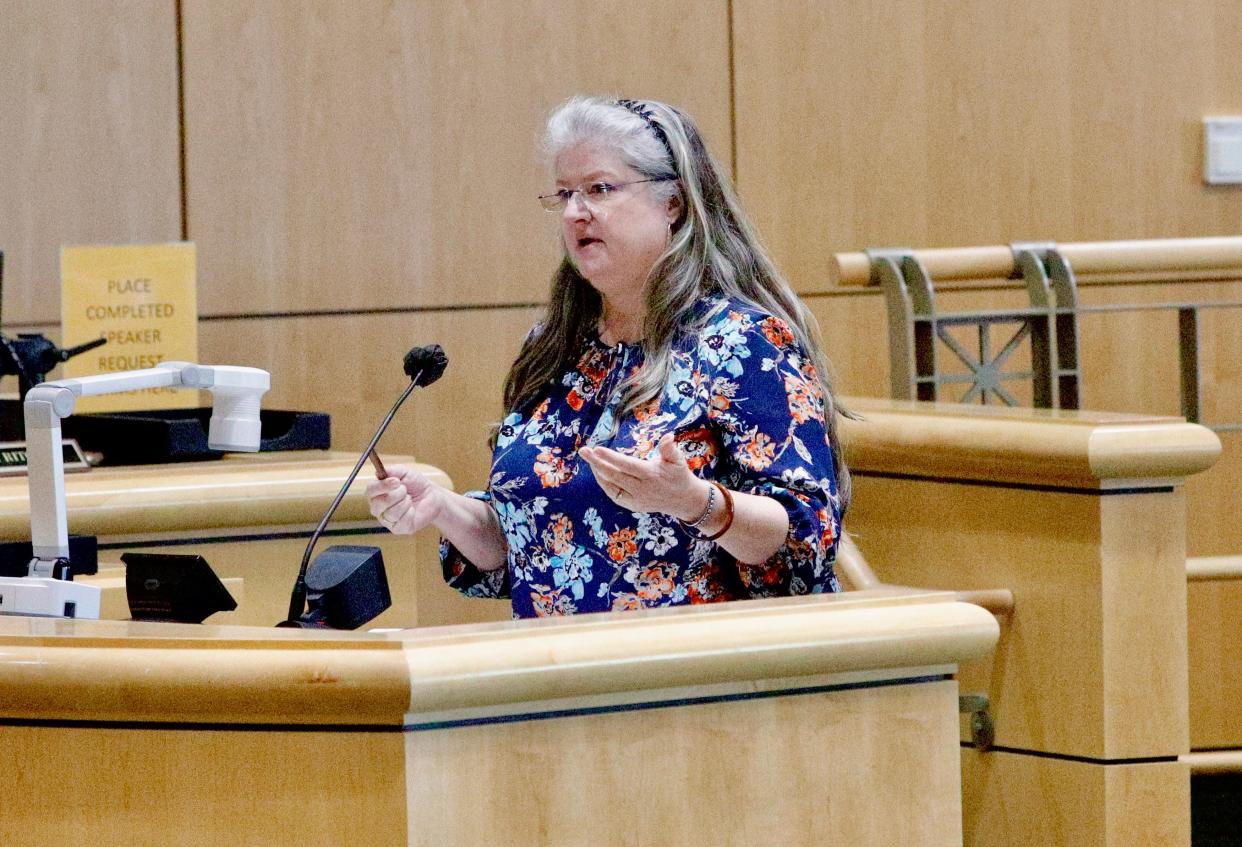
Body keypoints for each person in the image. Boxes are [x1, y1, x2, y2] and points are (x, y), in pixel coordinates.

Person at [366, 96, 849, 617]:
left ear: (674, 204)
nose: (576, 212)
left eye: (599, 189)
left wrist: (694, 503)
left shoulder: (743, 341)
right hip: (559, 675)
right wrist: (444, 509)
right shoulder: (556, 345)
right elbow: (532, 545)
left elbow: (805, 539)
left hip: (703, 675)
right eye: (564, 194)